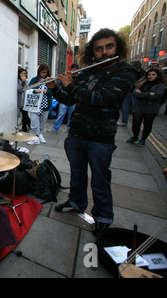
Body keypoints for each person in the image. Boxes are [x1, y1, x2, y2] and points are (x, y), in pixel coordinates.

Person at [47, 28, 138, 237]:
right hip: (77, 135)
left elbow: (100, 98)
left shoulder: (125, 72)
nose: (104, 52)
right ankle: (77, 202)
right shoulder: (88, 72)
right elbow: (71, 99)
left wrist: (70, 85)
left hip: (101, 138)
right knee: (77, 174)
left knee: (100, 179)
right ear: (92, 52)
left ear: (118, 47)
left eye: (109, 46)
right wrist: (55, 88)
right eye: (99, 49)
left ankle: (103, 216)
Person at [126, 68, 165, 146]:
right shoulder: (142, 83)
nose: (150, 76)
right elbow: (135, 93)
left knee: (147, 124)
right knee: (136, 123)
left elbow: (157, 96)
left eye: (153, 75)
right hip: (139, 106)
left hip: (151, 107)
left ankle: (143, 139)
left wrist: (142, 94)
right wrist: (149, 94)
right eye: (149, 75)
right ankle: (135, 136)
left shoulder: (160, 85)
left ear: (157, 76)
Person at [26, 63, 53, 145]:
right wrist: (36, 90)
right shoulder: (35, 79)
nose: (43, 74)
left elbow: (52, 92)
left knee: (42, 122)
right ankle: (35, 136)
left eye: (45, 72)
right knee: (34, 122)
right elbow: (29, 89)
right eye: (42, 72)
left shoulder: (50, 80)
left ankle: (40, 134)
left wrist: (46, 91)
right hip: (34, 104)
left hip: (45, 105)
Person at [48, 64, 79, 132]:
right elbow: (61, 87)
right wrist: (55, 88)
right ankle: (55, 128)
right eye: (72, 68)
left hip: (74, 100)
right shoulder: (67, 76)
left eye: (75, 68)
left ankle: (69, 128)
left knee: (71, 115)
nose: (74, 70)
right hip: (65, 98)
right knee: (61, 114)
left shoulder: (79, 78)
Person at [118, 60, 145, 126]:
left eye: (132, 64)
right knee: (125, 107)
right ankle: (124, 121)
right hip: (128, 92)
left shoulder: (143, 73)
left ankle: (136, 123)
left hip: (136, 93)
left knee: (135, 109)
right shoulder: (130, 71)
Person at [17, 68, 31, 132]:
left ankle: (24, 127)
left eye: (25, 73)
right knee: (25, 114)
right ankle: (29, 125)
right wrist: (22, 82)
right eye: (22, 73)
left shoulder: (26, 81)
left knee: (25, 114)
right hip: (20, 101)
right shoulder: (18, 82)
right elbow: (20, 90)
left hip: (25, 100)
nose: (23, 75)